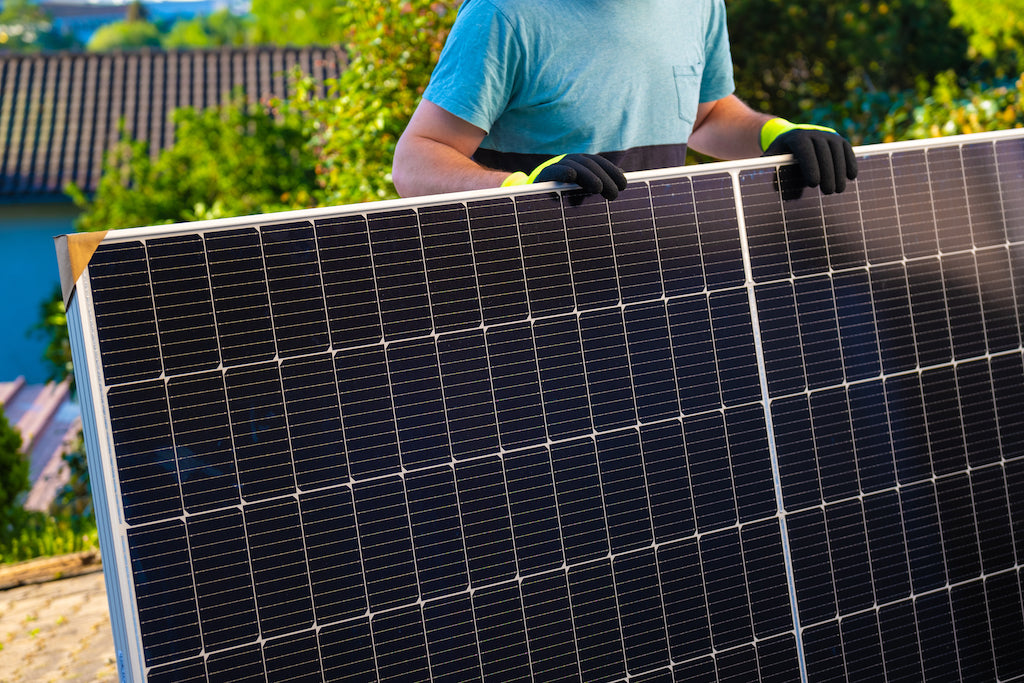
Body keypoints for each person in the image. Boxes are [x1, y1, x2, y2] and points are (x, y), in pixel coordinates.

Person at [392, 0, 857, 201]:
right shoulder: (504, 14)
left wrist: (777, 134)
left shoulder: (697, 7)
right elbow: (414, 161)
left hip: (660, 279)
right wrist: (520, 191)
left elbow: (706, 116)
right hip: (538, 298)